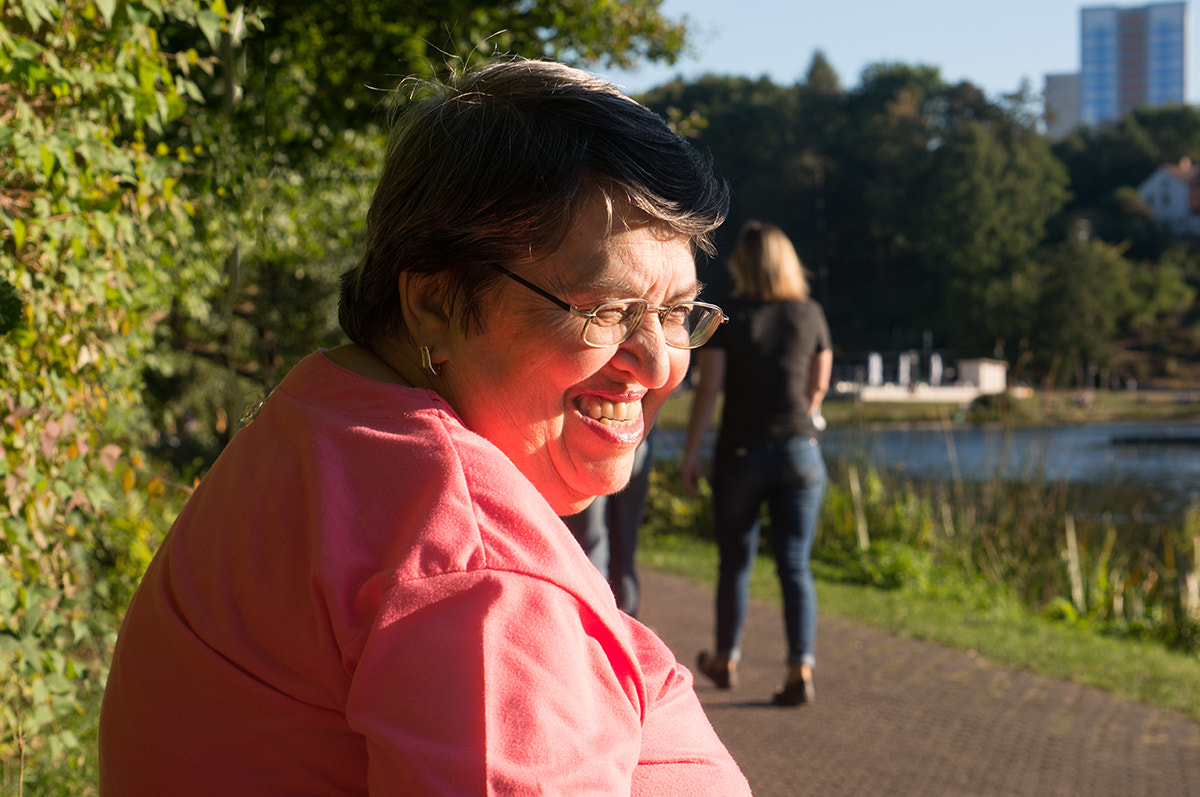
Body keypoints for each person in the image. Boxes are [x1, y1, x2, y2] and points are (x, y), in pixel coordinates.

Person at [99, 58, 752, 795]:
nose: (658, 361)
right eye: (606, 309)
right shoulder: (469, 555)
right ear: (435, 301)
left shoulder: (330, 420)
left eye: (675, 313)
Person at [682, 220, 832, 707]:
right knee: (794, 564)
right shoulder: (810, 314)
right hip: (800, 451)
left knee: (735, 564)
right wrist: (801, 418)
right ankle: (799, 667)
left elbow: (709, 388)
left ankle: (726, 659)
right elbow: (818, 386)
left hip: (741, 454)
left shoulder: (732, 319)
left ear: (744, 264)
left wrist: (691, 451)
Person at [562, 429, 657, 617]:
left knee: (592, 549)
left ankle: (596, 632)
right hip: (638, 445)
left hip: (595, 444)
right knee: (624, 555)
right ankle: (624, 634)